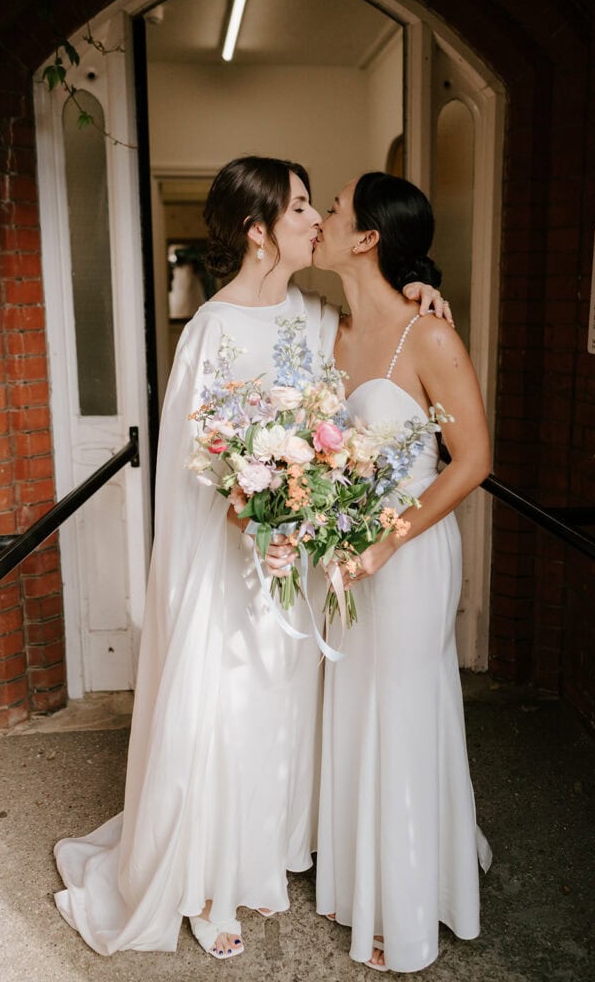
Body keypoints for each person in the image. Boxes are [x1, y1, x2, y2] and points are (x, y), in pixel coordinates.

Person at [53, 156, 450, 961]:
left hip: (297, 564)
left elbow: (356, 383)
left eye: (316, 206)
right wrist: (255, 520)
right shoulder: (211, 330)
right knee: (224, 711)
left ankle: (263, 851)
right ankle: (204, 881)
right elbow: (204, 459)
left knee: (281, 710)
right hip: (233, 563)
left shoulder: (311, 315)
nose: (314, 219)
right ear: (257, 230)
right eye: (302, 206)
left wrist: (419, 292)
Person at [311, 172, 493, 973]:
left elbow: (474, 459)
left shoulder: (430, 337)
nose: (319, 218)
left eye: (334, 210)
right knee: (354, 705)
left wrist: (390, 539)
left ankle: (408, 903)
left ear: (366, 239)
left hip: (411, 555)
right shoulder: (327, 329)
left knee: (404, 707)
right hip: (343, 556)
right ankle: (361, 880)